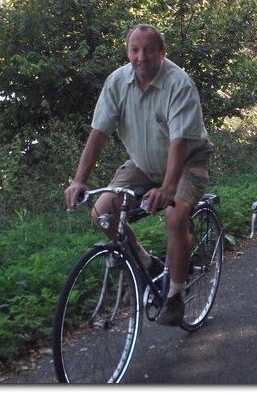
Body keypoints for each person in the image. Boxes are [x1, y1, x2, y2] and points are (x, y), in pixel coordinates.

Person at [64, 24, 215, 327]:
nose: (141, 57)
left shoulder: (179, 84)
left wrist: (168, 188)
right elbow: (98, 134)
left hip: (188, 161)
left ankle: (174, 294)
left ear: (162, 52)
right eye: (134, 49)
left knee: (175, 217)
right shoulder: (117, 82)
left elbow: (179, 142)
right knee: (102, 212)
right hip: (143, 164)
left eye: (149, 50)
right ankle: (147, 263)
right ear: (127, 51)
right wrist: (79, 179)